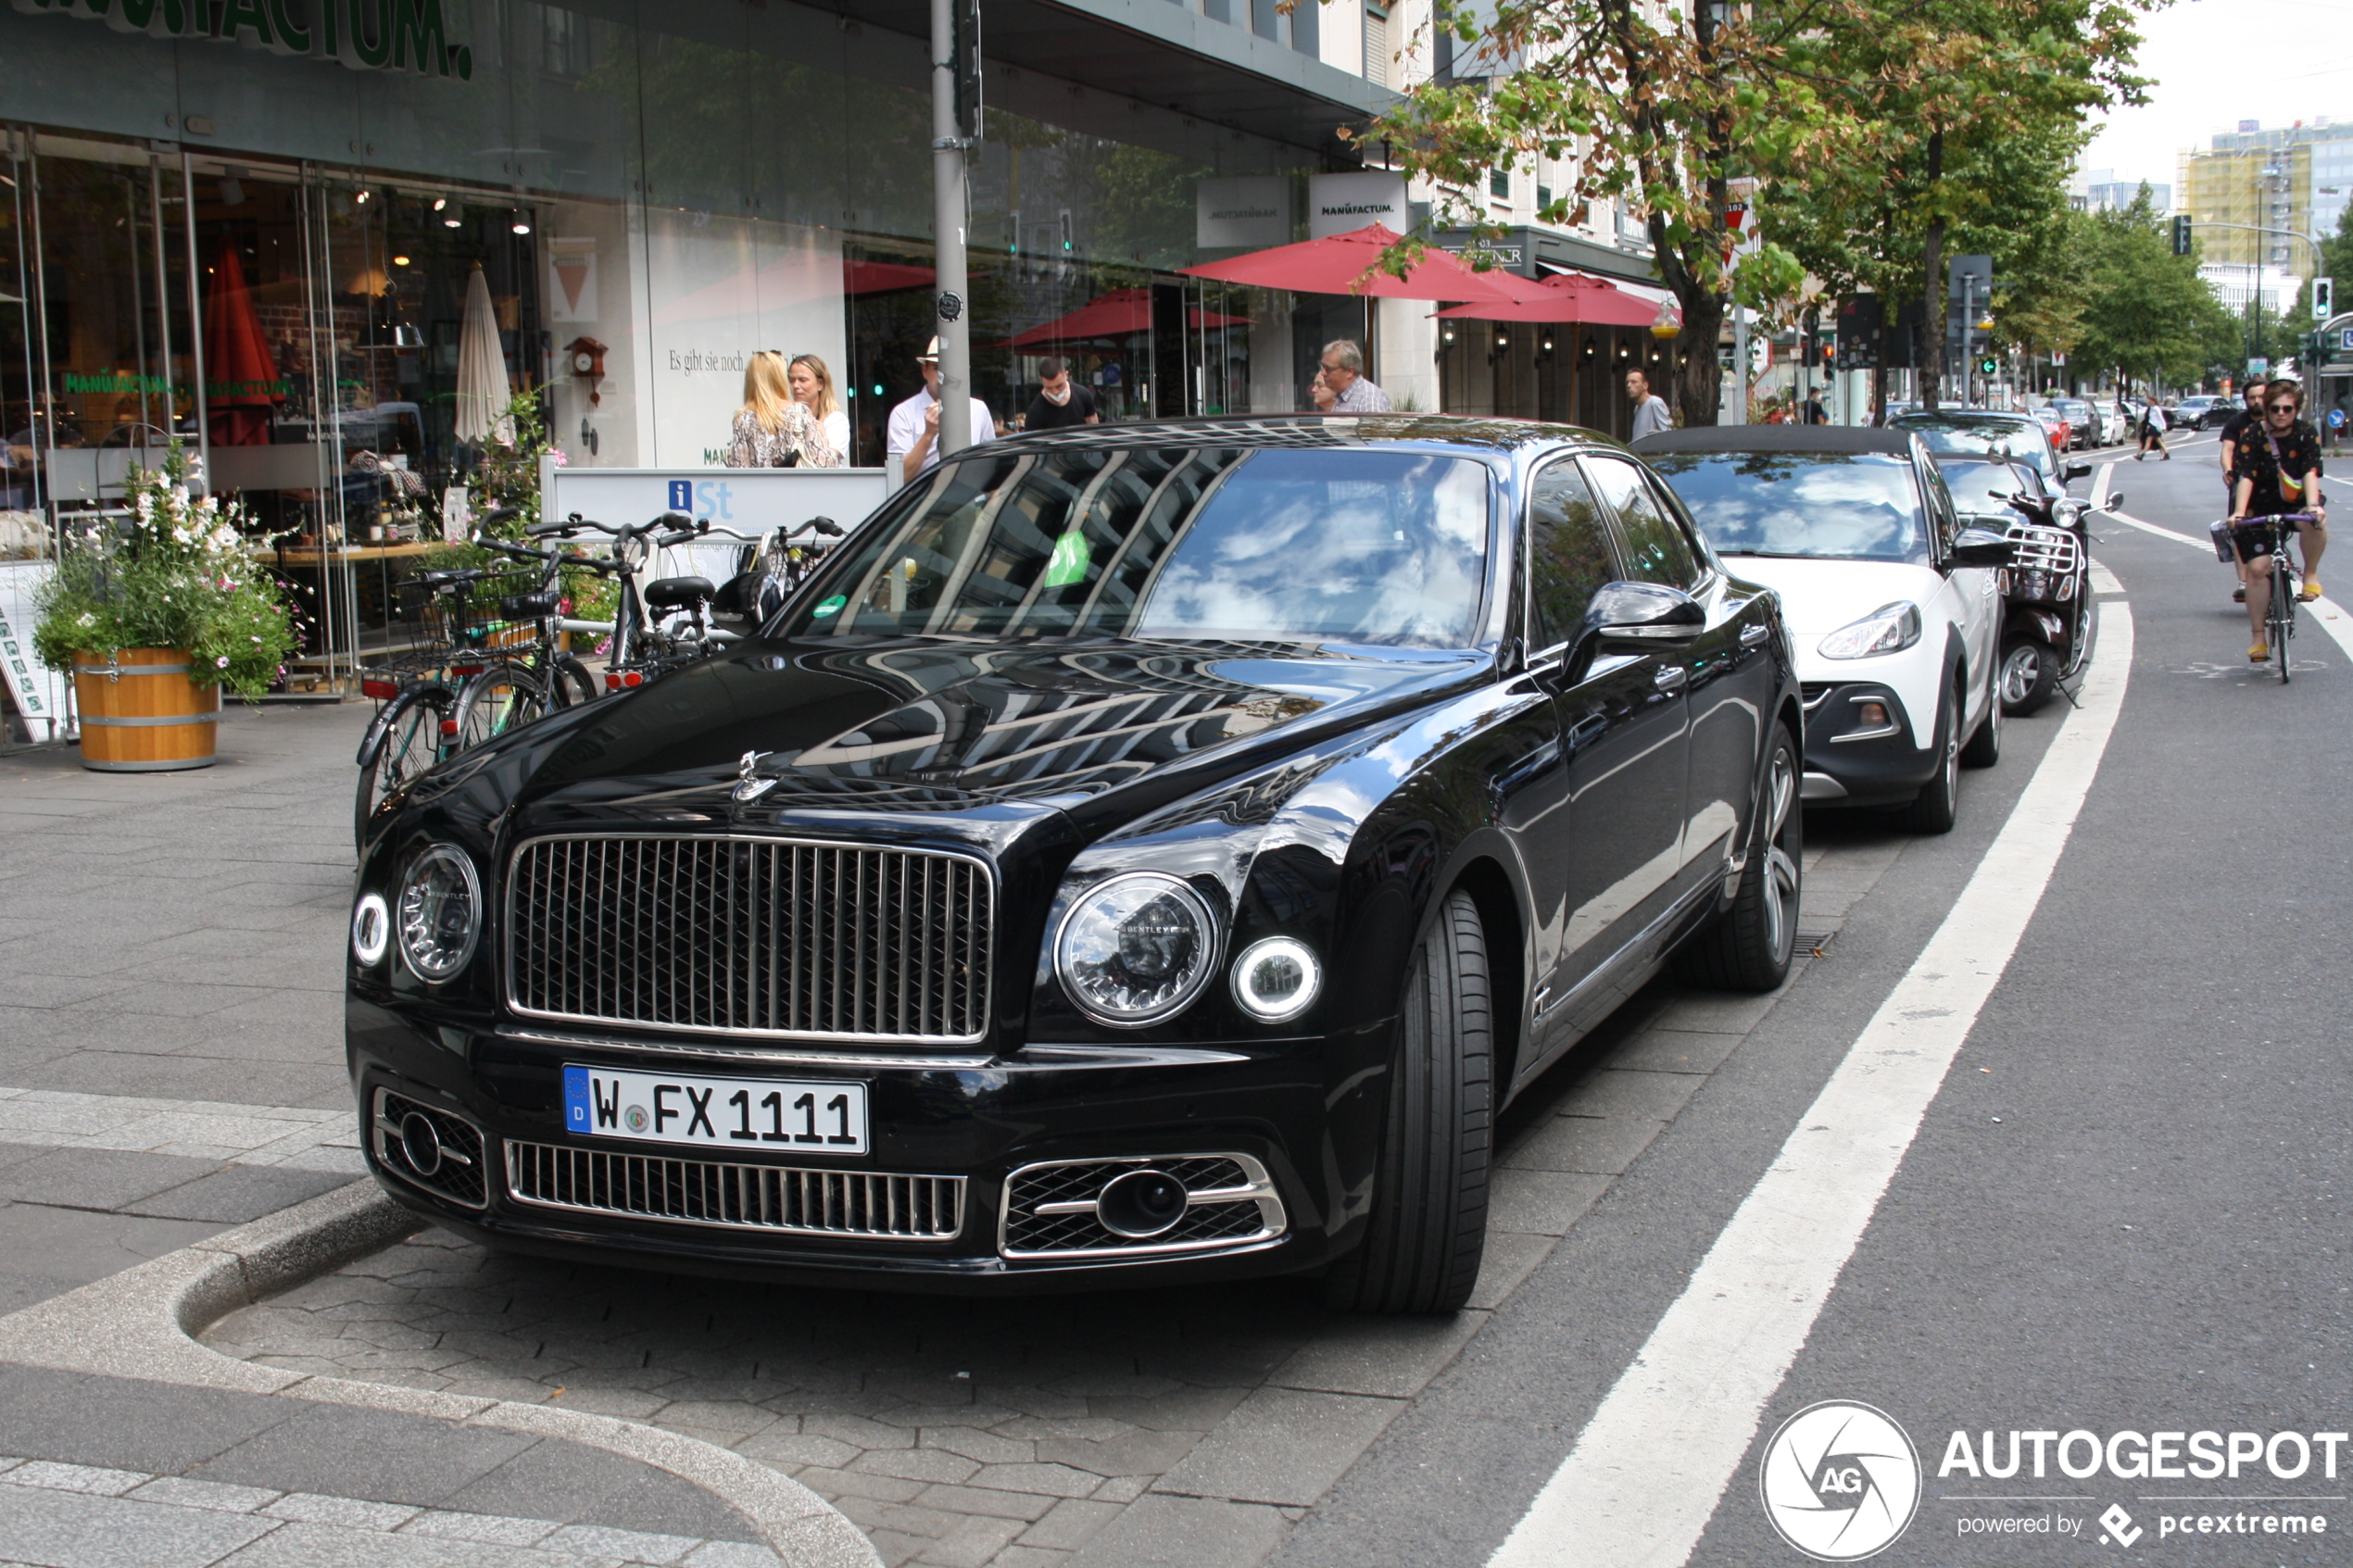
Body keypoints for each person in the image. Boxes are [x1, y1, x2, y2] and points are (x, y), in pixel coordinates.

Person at [2229, 379, 2328, 661]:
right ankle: (2259, 639)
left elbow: (2310, 471)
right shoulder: (2250, 435)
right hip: (2258, 506)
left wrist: (2312, 505)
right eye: (2275, 408)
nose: (2281, 413)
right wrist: (2239, 512)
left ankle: (2310, 574)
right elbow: (2245, 476)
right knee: (2258, 570)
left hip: (2295, 499)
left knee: (2316, 519)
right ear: (2266, 408)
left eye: (2288, 408)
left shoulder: (2306, 432)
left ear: (2296, 410)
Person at [886, 337, 997, 486]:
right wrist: (928, 434)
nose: (944, 376)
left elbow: (991, 464)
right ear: (924, 371)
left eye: (950, 368)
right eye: (937, 368)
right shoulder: (903, 413)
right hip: (921, 502)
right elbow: (900, 477)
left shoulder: (978, 409)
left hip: (968, 499)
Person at [725, 351, 837, 470]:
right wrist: (824, 438)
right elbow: (826, 464)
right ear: (779, 378)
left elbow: (740, 469)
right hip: (794, 486)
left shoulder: (743, 419)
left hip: (759, 487)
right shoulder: (798, 412)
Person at [2220, 380, 2268, 601]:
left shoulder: (2276, 419)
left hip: (2271, 481)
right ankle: (2243, 582)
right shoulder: (2237, 422)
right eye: (2252, 397)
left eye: (2261, 396)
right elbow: (2227, 449)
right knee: (2239, 529)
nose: (2257, 401)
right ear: (2246, 399)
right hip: (2243, 479)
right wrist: (2229, 471)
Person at [786, 354, 849, 467]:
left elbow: (829, 463)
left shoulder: (836, 420)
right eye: (792, 380)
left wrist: (822, 438)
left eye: (803, 380)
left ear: (820, 384)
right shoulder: (786, 417)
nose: (795, 385)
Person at [1310, 340, 1390, 413]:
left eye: (1328, 369)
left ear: (1350, 372)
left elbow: (1373, 429)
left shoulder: (1369, 397)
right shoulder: (1341, 398)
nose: (1323, 373)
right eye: (1322, 367)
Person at [1024, 357, 1100, 431]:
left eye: (1059, 386)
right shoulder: (1035, 412)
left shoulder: (1083, 395)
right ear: (1041, 380)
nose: (1055, 392)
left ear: (1066, 375)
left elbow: (1094, 429)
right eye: (1049, 388)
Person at [1627, 369, 1672, 441]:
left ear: (1645, 385)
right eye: (1627, 382)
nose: (1629, 385)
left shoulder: (1655, 403)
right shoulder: (1637, 409)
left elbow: (1668, 433)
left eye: (1634, 382)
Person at [2134, 395, 2169, 460]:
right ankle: (2166, 454)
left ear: (2152, 401)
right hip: (2152, 426)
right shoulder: (2152, 408)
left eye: (2148, 400)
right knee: (2159, 441)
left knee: (2148, 441)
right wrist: (2148, 427)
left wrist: (2164, 427)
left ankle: (2142, 455)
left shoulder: (2156, 408)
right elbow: (2150, 419)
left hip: (2155, 427)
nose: (2147, 401)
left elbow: (2161, 418)